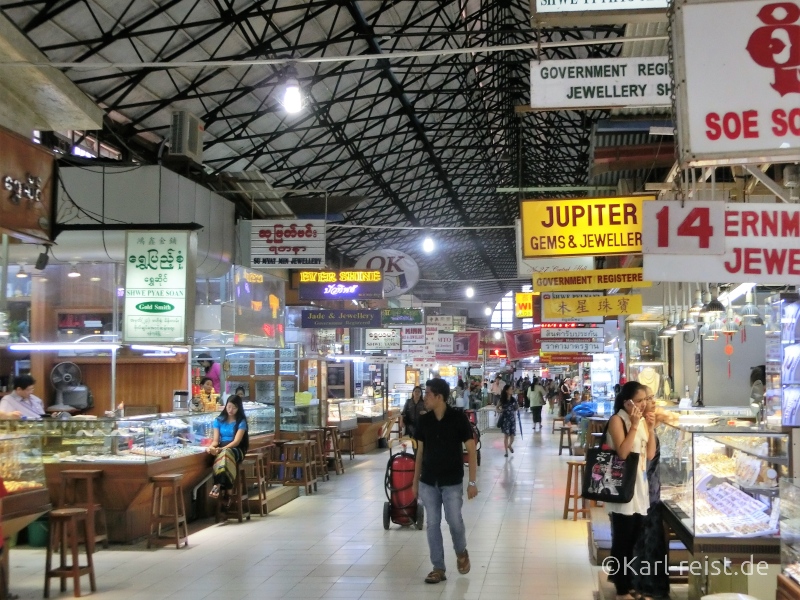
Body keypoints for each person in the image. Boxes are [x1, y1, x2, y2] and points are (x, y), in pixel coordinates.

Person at [413, 378, 478, 584]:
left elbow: (471, 450)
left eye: (427, 394)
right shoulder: (424, 421)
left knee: (454, 520)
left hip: (451, 481)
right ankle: (438, 568)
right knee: (432, 524)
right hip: (429, 481)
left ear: (438, 397)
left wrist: (472, 482)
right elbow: (420, 453)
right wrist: (415, 482)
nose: (424, 398)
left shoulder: (458, 419)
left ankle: (461, 552)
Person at [605, 381, 657, 600]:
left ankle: (630, 582)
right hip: (622, 488)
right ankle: (621, 589)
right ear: (627, 402)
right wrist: (635, 425)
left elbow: (651, 454)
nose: (644, 404)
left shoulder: (644, 421)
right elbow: (623, 453)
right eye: (638, 401)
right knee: (622, 538)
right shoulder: (617, 420)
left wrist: (651, 429)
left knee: (635, 538)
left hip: (640, 486)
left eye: (645, 400)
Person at [630, 386, 669, 600]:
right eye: (647, 399)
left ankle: (642, 586)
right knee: (647, 541)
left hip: (649, 493)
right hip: (646, 495)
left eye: (652, 398)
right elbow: (647, 461)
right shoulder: (642, 428)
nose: (652, 402)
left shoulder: (648, 425)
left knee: (648, 541)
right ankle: (646, 587)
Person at [207, 395, 249, 502]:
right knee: (224, 457)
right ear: (226, 406)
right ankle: (228, 491)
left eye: (234, 407)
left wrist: (221, 449)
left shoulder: (241, 422)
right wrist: (211, 447)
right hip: (223, 449)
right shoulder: (218, 420)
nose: (231, 410)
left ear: (239, 408)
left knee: (225, 453)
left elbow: (236, 442)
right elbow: (216, 441)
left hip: (237, 449)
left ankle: (217, 484)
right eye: (229, 406)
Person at [496, 384, 517, 456]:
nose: (512, 390)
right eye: (510, 389)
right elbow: (497, 407)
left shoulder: (513, 399)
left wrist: (517, 407)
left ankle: (509, 445)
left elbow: (517, 407)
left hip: (512, 419)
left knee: (512, 435)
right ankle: (506, 452)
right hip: (505, 419)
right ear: (506, 390)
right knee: (506, 435)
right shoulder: (502, 400)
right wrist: (500, 411)